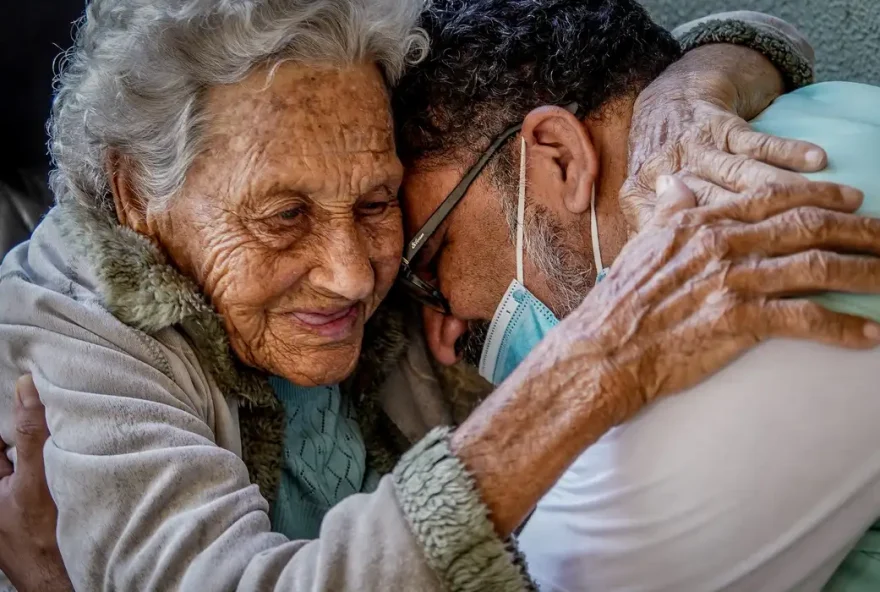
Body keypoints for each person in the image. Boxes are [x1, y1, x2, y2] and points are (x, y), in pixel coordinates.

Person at [1, 1, 877, 592]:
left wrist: (701, 76)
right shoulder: (69, 339)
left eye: (380, 204)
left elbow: (567, 79)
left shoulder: (394, 255)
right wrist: (590, 366)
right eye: (283, 215)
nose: (353, 273)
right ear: (133, 195)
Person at [388, 1, 880, 590]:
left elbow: (564, 578)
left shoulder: (748, 274)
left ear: (560, 158)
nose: (442, 339)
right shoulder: (824, 119)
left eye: (433, 258)